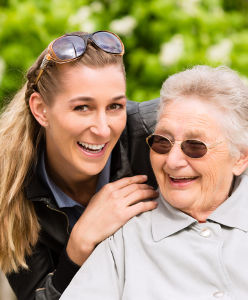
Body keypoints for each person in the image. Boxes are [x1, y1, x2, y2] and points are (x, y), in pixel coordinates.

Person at [60, 65, 248, 300]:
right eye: (162, 142)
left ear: (240, 158)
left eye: (195, 146)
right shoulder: (122, 242)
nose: (173, 161)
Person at [0, 31, 159, 300]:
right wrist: (78, 247)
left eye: (115, 106)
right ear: (41, 110)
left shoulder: (155, 134)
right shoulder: (9, 186)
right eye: (82, 108)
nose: (103, 129)